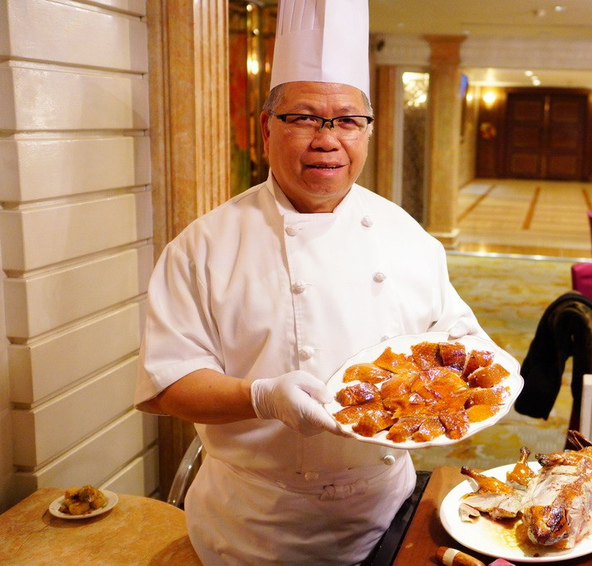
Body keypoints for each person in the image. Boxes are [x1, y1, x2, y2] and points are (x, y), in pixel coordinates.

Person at [134, 1, 489, 563]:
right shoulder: (205, 246)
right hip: (255, 527)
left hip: (386, 513)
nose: (328, 139)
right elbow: (166, 385)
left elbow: (457, 342)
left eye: (348, 120)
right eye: (303, 118)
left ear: (367, 132)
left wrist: (478, 375)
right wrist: (262, 396)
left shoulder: (406, 235)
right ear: (266, 128)